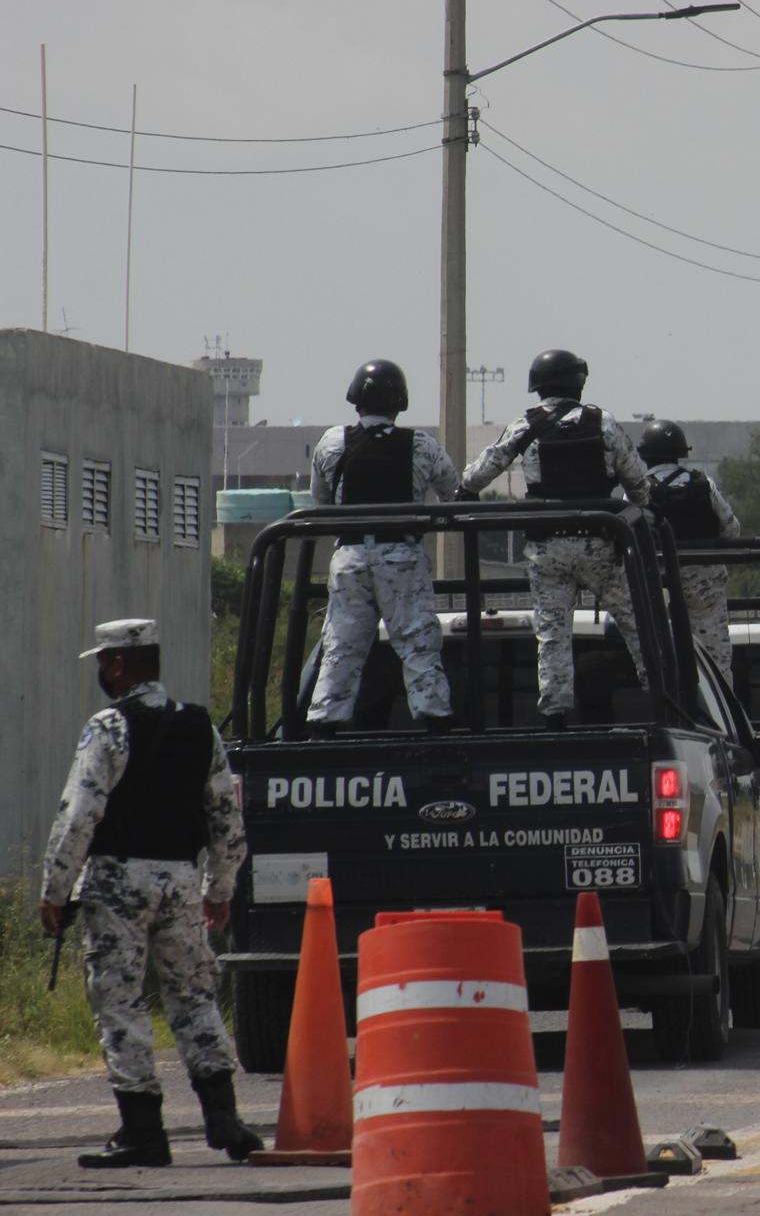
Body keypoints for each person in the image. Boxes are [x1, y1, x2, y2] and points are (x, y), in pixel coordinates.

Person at [39, 620, 261, 1169]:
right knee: (194, 996)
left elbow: (79, 815)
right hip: (182, 883)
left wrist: (55, 890)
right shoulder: (200, 728)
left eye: (102, 662)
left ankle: (143, 1132)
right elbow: (226, 819)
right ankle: (225, 1120)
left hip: (117, 885)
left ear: (117, 665)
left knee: (120, 1003)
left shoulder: (109, 727)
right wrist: (221, 886)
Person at [460, 349, 651, 729]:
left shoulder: (524, 426)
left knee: (551, 633)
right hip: (600, 541)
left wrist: (464, 492)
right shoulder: (603, 423)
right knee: (637, 623)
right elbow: (639, 484)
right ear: (579, 382)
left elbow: (479, 473)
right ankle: (662, 698)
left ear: (538, 386)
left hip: (547, 548)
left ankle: (556, 717)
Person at [306, 359, 459, 735]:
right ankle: (434, 721)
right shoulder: (422, 445)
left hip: (350, 558)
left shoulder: (332, 442)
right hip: (402, 557)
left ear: (356, 400)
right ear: (399, 403)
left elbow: (320, 502)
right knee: (417, 644)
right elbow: (453, 493)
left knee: (341, 646)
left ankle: (323, 727)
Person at [639, 419, 743, 683]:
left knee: (665, 655)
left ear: (644, 454)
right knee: (716, 659)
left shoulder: (639, 491)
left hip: (660, 582)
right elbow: (732, 529)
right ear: (681, 452)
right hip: (706, 581)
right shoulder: (702, 483)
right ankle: (722, 719)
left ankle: (674, 715)